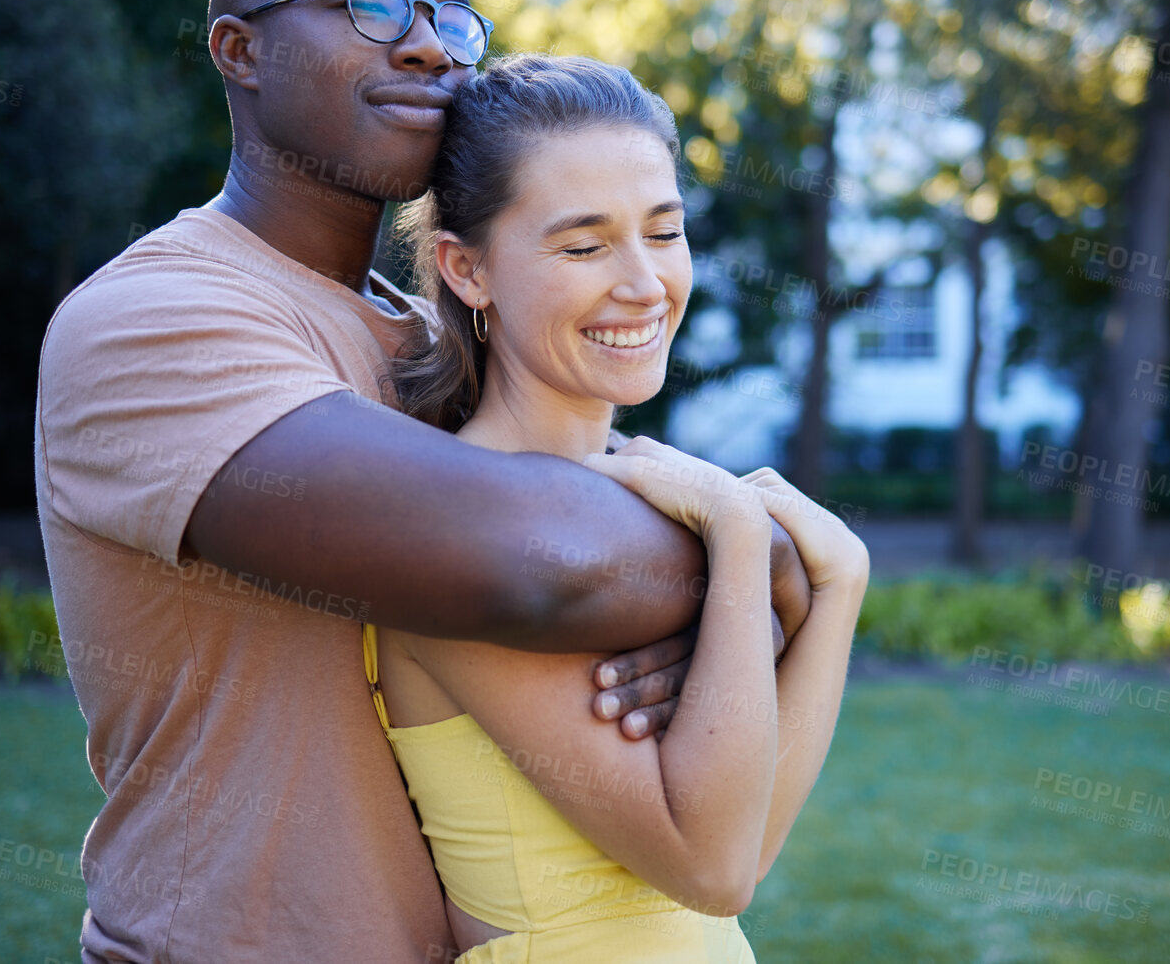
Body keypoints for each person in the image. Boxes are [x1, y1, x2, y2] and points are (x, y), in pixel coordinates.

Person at [33, 0, 810, 963]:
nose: (431, 47)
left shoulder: (421, 341)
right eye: (370, 1)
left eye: (451, 14)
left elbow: (583, 529)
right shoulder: (152, 320)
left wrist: (698, 588)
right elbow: (531, 559)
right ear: (238, 49)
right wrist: (761, 560)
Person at [366, 54, 869, 962]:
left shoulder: (633, 497)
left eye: (663, 232)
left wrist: (839, 583)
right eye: (585, 245)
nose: (643, 283)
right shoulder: (459, 531)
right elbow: (710, 868)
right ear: (466, 269)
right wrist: (739, 533)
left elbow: (746, 849)